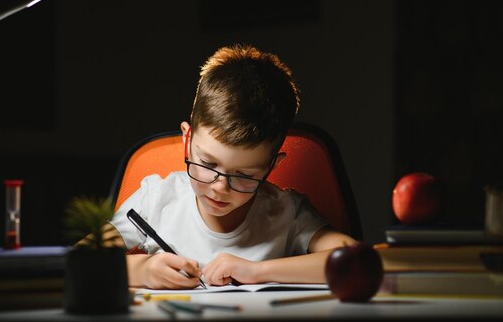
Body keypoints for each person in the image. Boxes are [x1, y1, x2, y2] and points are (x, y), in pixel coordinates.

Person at [107, 44, 357, 289]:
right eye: (207, 163)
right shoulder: (156, 200)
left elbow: (354, 260)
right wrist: (140, 271)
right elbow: (76, 262)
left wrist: (258, 271)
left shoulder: (286, 213)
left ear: (271, 166)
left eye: (244, 175)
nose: (220, 187)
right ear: (187, 140)